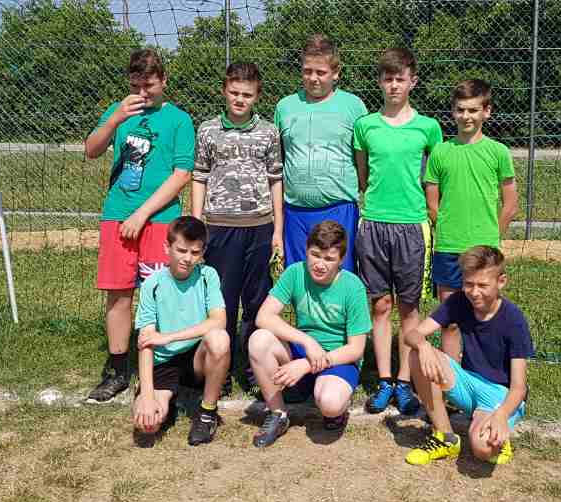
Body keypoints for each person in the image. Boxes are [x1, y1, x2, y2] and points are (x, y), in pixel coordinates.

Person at [84, 49, 196, 404]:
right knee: (118, 293)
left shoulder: (179, 120)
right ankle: (117, 369)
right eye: (135, 86)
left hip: (158, 220)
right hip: (117, 216)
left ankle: (165, 368)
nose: (142, 93)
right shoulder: (119, 112)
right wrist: (114, 119)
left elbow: (182, 174)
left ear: (163, 81)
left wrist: (143, 214)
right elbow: (91, 150)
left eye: (149, 86)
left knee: (160, 294)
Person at [353, 48, 443, 416]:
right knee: (380, 305)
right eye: (388, 79)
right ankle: (385, 380)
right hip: (374, 222)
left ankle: (405, 381)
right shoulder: (365, 127)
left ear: (412, 82)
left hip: (412, 225)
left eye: (400, 79)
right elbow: (363, 176)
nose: (393, 85)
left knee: (409, 306)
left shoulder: (428, 128)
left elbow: (435, 176)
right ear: (380, 82)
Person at [191, 61, 284, 390]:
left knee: (257, 300)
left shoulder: (269, 132)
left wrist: (277, 230)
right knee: (224, 301)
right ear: (224, 91)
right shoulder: (208, 130)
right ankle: (223, 368)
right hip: (220, 226)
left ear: (257, 96)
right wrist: (197, 225)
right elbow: (199, 176)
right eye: (234, 93)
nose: (240, 99)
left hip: (259, 226)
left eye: (247, 94)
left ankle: (255, 368)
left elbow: (275, 180)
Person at [403, 245, 532, 466]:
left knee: (482, 448)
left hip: (500, 395)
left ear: (501, 282)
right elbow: (412, 335)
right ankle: (445, 438)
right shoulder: (459, 301)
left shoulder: (514, 320)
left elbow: (519, 387)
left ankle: (498, 434)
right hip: (468, 383)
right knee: (417, 353)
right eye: (468, 284)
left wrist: (501, 415)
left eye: (483, 285)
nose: (474, 292)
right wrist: (423, 347)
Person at [247, 220, 370, 448]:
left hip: (337, 357)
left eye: (329, 259)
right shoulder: (295, 272)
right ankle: (278, 414)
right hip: (303, 350)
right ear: (306, 250)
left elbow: (356, 349)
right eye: (315, 255)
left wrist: (306, 365)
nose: (320, 264)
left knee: (330, 403)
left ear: (342, 259)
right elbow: (263, 316)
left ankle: (334, 407)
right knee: (259, 339)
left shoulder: (353, 286)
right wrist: (306, 341)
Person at [424, 79, 518, 360]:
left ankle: (486, 374)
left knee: (485, 317)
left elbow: (510, 204)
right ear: (453, 111)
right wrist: (448, 228)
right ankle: (453, 380)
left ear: (486, 111)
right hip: (448, 247)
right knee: (450, 320)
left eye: (473, 110)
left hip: (483, 248)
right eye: (460, 110)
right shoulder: (441, 152)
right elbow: (432, 203)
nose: (466, 116)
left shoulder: (498, 152)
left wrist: (491, 238)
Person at [131, 216, 231, 446]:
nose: (187, 258)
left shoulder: (208, 276)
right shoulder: (152, 284)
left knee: (219, 338)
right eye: (181, 250)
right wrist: (147, 395)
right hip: (164, 363)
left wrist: (169, 337)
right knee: (147, 423)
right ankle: (171, 396)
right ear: (167, 247)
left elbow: (219, 321)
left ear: (203, 252)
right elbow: (146, 342)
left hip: (196, 359)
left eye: (195, 252)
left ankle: (207, 413)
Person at [273, 34, 367, 273]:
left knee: (338, 279)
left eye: (321, 72)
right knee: (299, 279)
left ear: (336, 73)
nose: (313, 78)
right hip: (295, 212)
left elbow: (364, 159)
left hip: (339, 209)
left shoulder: (353, 106)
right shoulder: (285, 107)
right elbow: (277, 161)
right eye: (307, 71)